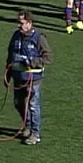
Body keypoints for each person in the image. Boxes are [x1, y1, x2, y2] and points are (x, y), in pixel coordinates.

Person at [6, 11, 52, 145]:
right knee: (18, 103)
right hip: (18, 77)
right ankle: (27, 125)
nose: (19, 26)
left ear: (29, 23)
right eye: (18, 23)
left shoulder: (39, 38)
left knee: (32, 105)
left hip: (33, 78)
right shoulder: (16, 36)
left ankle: (35, 133)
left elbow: (48, 57)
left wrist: (32, 62)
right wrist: (8, 74)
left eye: (21, 23)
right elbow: (10, 54)